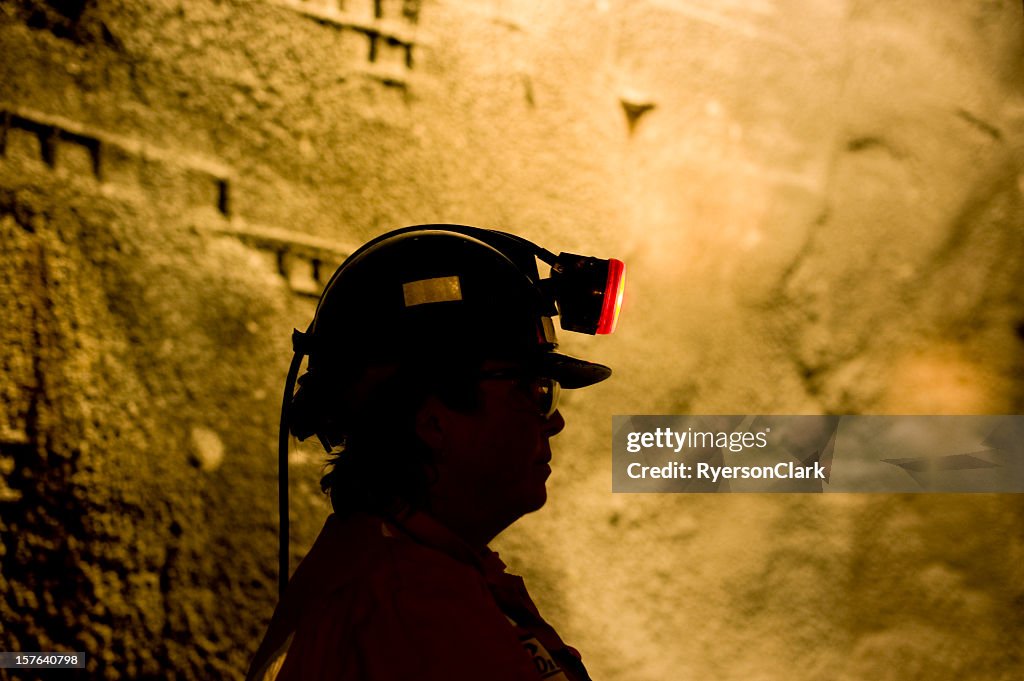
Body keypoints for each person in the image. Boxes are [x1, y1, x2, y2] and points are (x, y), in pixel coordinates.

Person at [246, 226, 623, 681]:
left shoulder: (415, 570)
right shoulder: (411, 605)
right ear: (432, 419)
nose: (554, 420)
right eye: (533, 391)